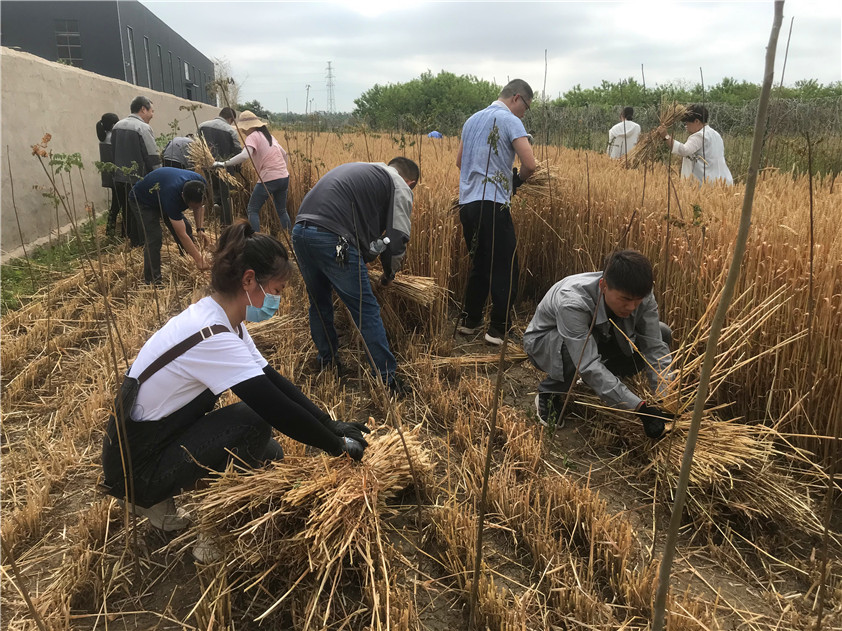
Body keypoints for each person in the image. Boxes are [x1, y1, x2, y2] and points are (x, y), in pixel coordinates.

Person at [101, 221, 369, 558]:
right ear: (248, 280)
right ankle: (213, 529)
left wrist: (330, 424)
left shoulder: (224, 323)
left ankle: (157, 498)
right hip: (135, 465)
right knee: (251, 422)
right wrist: (335, 446)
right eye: (277, 289)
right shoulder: (210, 336)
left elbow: (272, 380)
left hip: (149, 445)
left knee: (270, 454)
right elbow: (273, 407)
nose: (277, 299)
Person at [291, 158, 419, 394]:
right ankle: (386, 378)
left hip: (301, 232)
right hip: (333, 239)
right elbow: (398, 237)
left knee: (319, 302)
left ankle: (327, 362)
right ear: (410, 183)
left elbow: (368, 241)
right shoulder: (400, 185)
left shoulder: (367, 170)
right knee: (365, 308)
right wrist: (390, 274)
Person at [523, 250, 674, 438]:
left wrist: (666, 397)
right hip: (547, 343)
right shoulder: (572, 301)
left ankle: (600, 381)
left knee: (663, 332)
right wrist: (639, 408)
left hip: (600, 338)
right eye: (625, 300)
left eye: (637, 301)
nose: (631, 307)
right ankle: (550, 392)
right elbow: (586, 363)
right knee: (579, 348)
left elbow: (654, 345)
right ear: (603, 286)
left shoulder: (641, 294)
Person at [456, 78, 537, 345]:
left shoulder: (471, 120)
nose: (524, 112)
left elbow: (459, 162)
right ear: (516, 98)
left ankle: (470, 321)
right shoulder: (510, 120)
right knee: (506, 265)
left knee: (480, 263)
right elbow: (530, 164)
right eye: (525, 106)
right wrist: (516, 182)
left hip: (467, 204)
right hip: (493, 203)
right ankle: (498, 330)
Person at [129, 167, 211, 284]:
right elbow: (181, 234)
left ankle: (188, 263)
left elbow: (199, 206)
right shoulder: (172, 196)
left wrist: (200, 229)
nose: (195, 208)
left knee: (187, 227)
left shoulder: (200, 184)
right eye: (191, 206)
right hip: (143, 201)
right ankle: (153, 281)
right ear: (183, 196)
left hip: (162, 193)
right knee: (154, 237)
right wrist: (199, 259)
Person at [213, 111, 290, 232]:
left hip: (269, 177)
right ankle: (289, 237)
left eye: (244, 128)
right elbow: (284, 154)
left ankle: (255, 239)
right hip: (284, 177)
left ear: (251, 126)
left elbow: (244, 156)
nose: (243, 131)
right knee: (282, 210)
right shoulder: (269, 136)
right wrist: (281, 170)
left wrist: (224, 163)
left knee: (252, 209)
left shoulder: (252, 136)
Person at [111, 96, 161, 246]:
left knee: (127, 211)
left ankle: (130, 239)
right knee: (140, 212)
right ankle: (141, 242)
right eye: (151, 111)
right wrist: (160, 176)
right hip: (138, 178)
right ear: (143, 109)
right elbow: (151, 155)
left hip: (120, 177)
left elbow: (112, 152)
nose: (152, 115)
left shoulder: (117, 126)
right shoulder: (143, 128)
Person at [662, 104, 733, 186]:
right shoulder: (716, 134)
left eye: (687, 123)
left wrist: (665, 136)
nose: (686, 126)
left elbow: (684, 150)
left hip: (707, 184)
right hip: (724, 181)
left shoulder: (700, 135)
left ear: (696, 121)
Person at [199, 107, 242, 226]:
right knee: (227, 196)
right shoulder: (230, 130)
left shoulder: (202, 126)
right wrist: (238, 167)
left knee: (214, 189)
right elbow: (238, 150)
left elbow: (198, 145)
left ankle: (214, 207)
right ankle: (226, 224)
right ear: (230, 119)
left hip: (207, 165)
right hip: (225, 167)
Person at [96, 113, 122, 237]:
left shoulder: (104, 137)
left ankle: (110, 230)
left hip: (110, 177)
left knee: (115, 204)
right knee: (119, 205)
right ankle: (117, 231)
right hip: (118, 176)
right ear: (113, 125)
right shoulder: (114, 138)